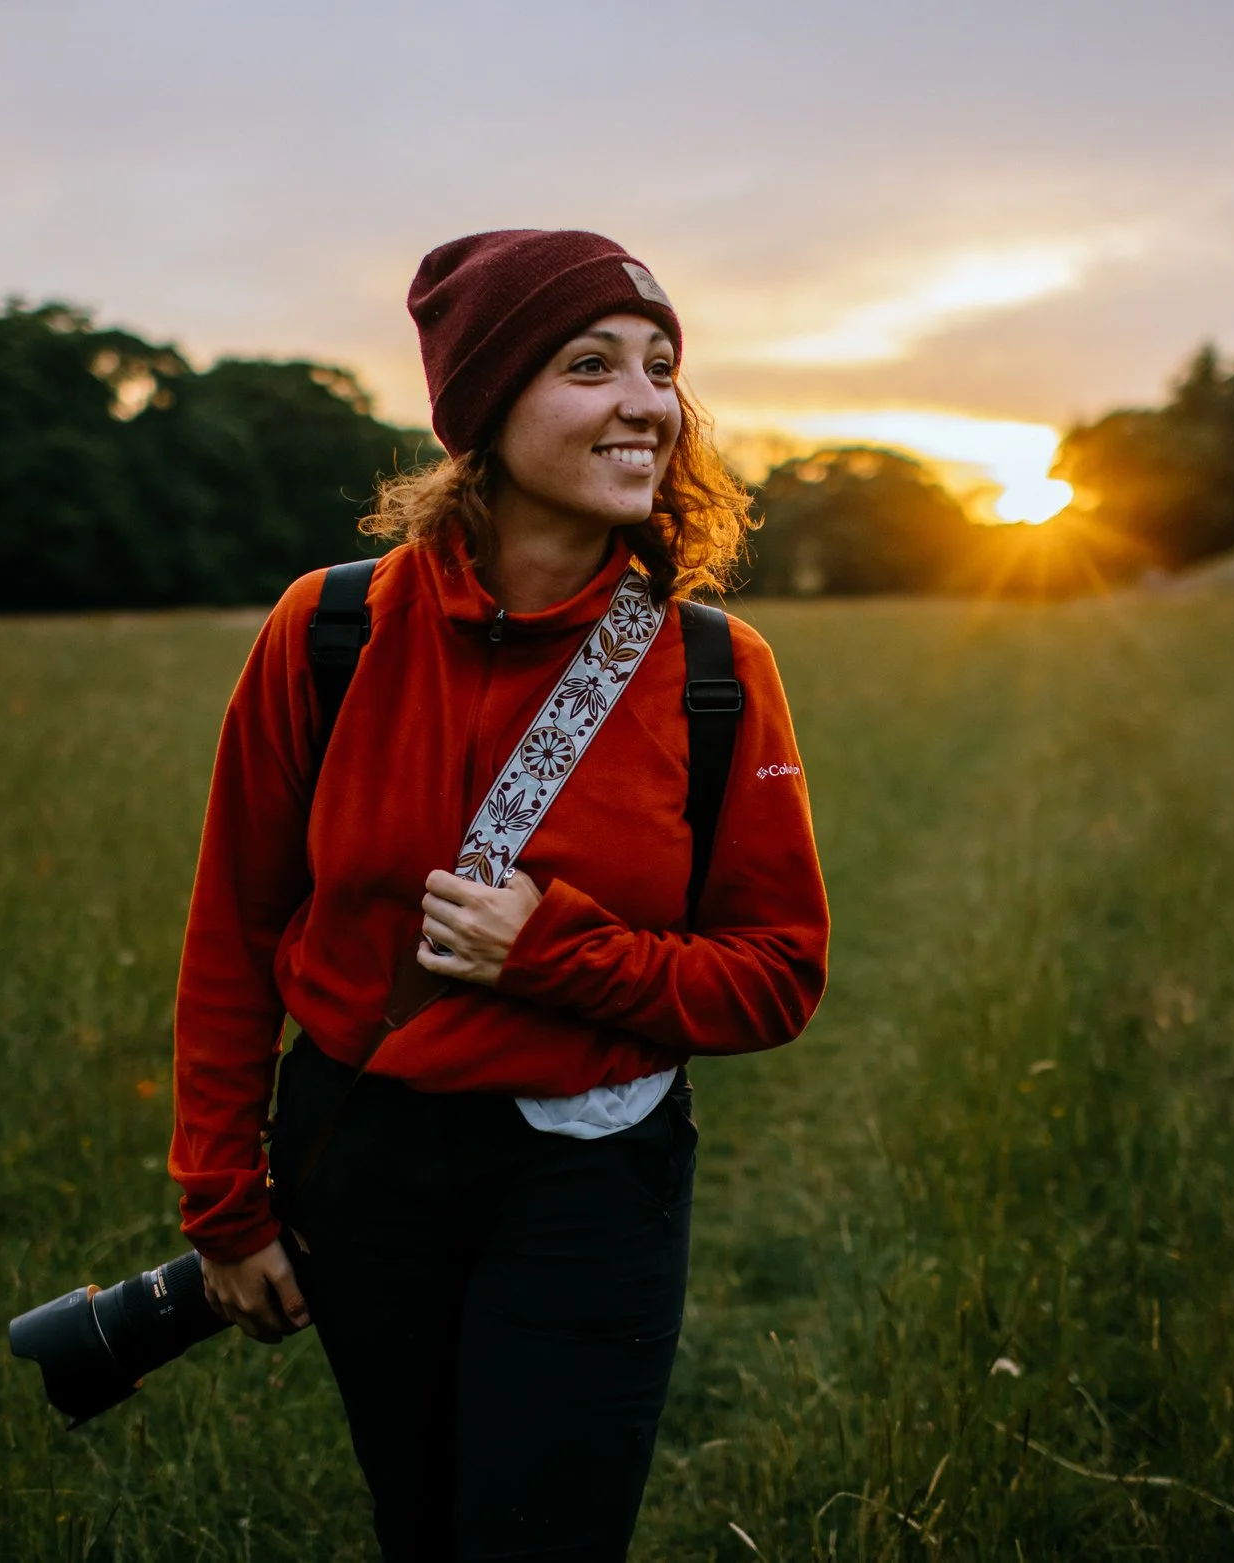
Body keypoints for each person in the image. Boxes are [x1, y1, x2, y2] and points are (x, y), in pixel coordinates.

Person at [168, 228, 830, 1562]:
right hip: (363, 1158)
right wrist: (224, 1203)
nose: (646, 400)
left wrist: (559, 951)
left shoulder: (715, 670)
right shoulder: (330, 632)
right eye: (591, 364)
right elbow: (235, 929)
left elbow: (778, 972)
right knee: (420, 1528)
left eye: (660, 367)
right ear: (486, 403)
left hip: (589, 1174)